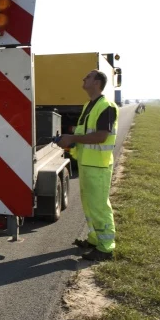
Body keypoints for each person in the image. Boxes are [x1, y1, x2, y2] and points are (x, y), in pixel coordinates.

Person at [58, 70, 119, 261]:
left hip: (98, 166)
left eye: (88, 77)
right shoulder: (88, 105)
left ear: (97, 82)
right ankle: (94, 239)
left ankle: (106, 247)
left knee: (99, 207)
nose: (83, 79)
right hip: (87, 164)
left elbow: (101, 136)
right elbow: (85, 134)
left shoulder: (106, 106)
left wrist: (73, 137)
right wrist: (70, 141)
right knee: (89, 205)